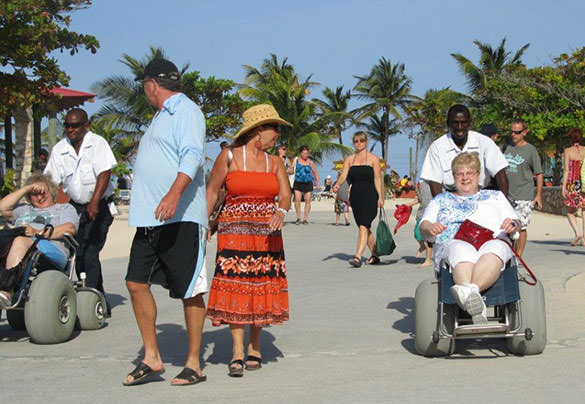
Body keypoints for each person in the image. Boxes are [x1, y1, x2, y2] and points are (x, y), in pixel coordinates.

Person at [123, 59, 208, 386]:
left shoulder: (187, 111)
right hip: (148, 221)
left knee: (190, 290)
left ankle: (193, 363)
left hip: (181, 218)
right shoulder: (159, 117)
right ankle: (152, 356)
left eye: (143, 83)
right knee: (135, 282)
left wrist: (173, 195)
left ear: (151, 84)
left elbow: (192, 155)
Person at [206, 104, 291, 377]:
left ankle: (255, 346)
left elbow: (286, 195)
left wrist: (281, 211)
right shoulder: (228, 156)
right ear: (258, 131)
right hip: (234, 233)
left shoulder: (275, 162)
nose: (277, 133)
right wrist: (202, 224)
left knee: (261, 287)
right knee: (236, 286)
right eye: (274, 128)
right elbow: (211, 191)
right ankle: (237, 352)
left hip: (267, 235)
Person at [420, 152, 520, 324]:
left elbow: (515, 221)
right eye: (460, 173)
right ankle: (475, 304)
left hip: (492, 239)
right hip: (455, 241)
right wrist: (430, 227)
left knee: (495, 249)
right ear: (453, 177)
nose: (465, 178)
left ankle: (470, 293)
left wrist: (512, 224)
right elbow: (424, 225)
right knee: (460, 249)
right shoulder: (441, 200)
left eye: (470, 173)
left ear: (478, 175)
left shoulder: (495, 197)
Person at [44, 108, 117, 314]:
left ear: (86, 126)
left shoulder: (98, 143)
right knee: (78, 251)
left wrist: (94, 202)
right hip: (75, 205)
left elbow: (105, 173)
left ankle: (93, 301)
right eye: (67, 125)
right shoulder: (60, 149)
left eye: (75, 125)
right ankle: (94, 296)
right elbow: (51, 180)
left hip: (99, 204)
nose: (70, 129)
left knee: (90, 252)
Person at [0, 174, 78, 307]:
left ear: (51, 192)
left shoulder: (64, 208)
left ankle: (8, 290)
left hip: (50, 249)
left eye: (43, 193)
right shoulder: (24, 209)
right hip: (19, 246)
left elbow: (70, 228)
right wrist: (27, 188)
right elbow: (2, 208)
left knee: (20, 240)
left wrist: (37, 233)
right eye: (34, 194)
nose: (40, 197)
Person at [420, 104, 509, 198]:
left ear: (470, 123)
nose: (459, 127)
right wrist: (442, 206)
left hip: (481, 194)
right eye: (455, 122)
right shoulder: (437, 147)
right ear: (448, 124)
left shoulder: (485, 142)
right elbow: (434, 182)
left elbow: (500, 172)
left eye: (463, 122)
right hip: (450, 195)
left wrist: (504, 203)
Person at [333, 132, 384, 267]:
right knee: (364, 227)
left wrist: (380, 197)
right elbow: (344, 175)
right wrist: (337, 184)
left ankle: (357, 257)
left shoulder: (373, 159)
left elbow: (378, 179)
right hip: (355, 196)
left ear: (366, 142)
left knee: (363, 225)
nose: (359, 143)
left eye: (361, 140)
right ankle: (375, 255)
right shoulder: (350, 159)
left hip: (370, 195)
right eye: (356, 141)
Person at [503, 119, 543, 257]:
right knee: (508, 226)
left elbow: (539, 173)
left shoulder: (530, 150)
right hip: (507, 194)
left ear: (524, 132)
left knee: (522, 226)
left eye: (517, 132)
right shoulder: (506, 147)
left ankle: (518, 255)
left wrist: (538, 195)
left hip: (524, 194)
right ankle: (509, 253)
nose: (513, 135)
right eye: (512, 132)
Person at [562, 127, 585, 246]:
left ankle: (578, 233)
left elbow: (566, 170)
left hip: (572, 182)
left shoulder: (568, 151)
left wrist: (564, 187)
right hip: (583, 182)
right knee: (584, 209)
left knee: (570, 211)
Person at [292, 145, 320, 224]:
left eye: (307, 153)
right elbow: (291, 169)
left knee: (308, 200)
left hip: (308, 183)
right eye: (304, 153)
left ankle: (305, 218)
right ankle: (298, 217)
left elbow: (315, 173)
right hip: (298, 182)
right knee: (297, 200)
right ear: (300, 153)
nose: (306, 155)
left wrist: (318, 183)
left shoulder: (310, 162)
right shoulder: (296, 160)